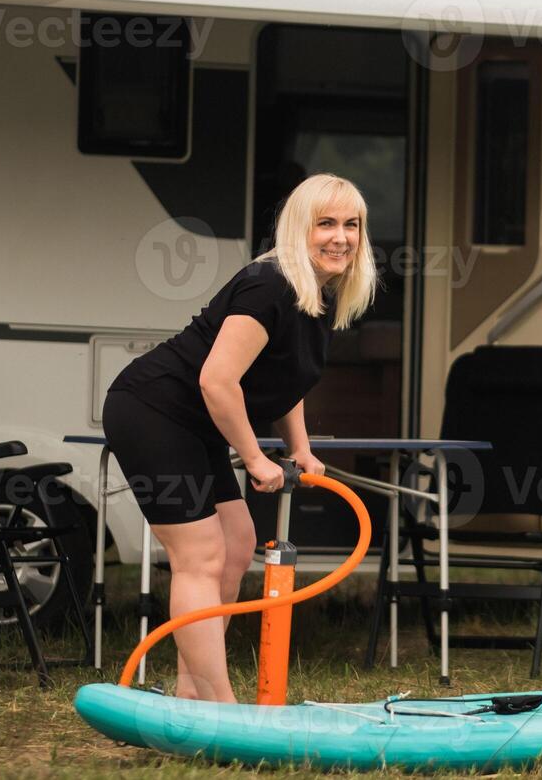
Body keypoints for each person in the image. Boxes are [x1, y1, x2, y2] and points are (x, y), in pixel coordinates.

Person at [102, 173, 376, 703]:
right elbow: (217, 380)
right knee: (200, 556)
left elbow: (282, 378)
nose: (340, 237)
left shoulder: (316, 293)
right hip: (153, 410)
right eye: (326, 224)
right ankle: (220, 703)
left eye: (352, 225)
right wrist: (254, 458)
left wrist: (299, 447)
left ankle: (190, 693)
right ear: (299, 228)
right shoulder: (269, 284)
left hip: (199, 421)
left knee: (237, 548)